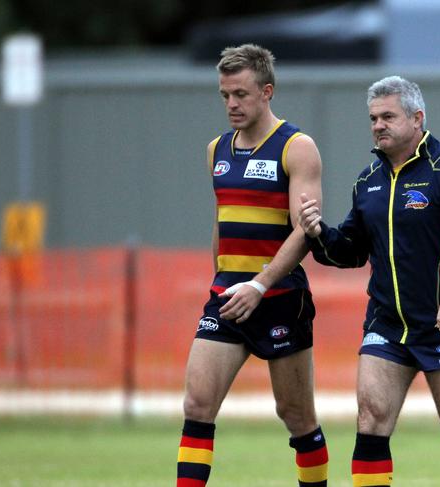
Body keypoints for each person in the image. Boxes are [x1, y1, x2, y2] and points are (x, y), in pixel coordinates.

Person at [298, 76, 440, 486]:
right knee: (371, 418)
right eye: (373, 118)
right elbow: (351, 251)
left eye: (388, 116)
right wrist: (319, 233)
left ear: (417, 118)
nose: (378, 125)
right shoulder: (367, 182)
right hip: (387, 324)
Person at [176, 44, 329, 487]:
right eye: (224, 95)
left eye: (240, 94)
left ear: (267, 91)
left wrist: (259, 285)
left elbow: (306, 232)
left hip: (280, 298)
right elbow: (221, 221)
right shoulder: (216, 150)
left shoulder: (297, 148)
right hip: (226, 297)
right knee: (197, 405)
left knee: (296, 415)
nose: (231, 105)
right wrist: (222, 279)